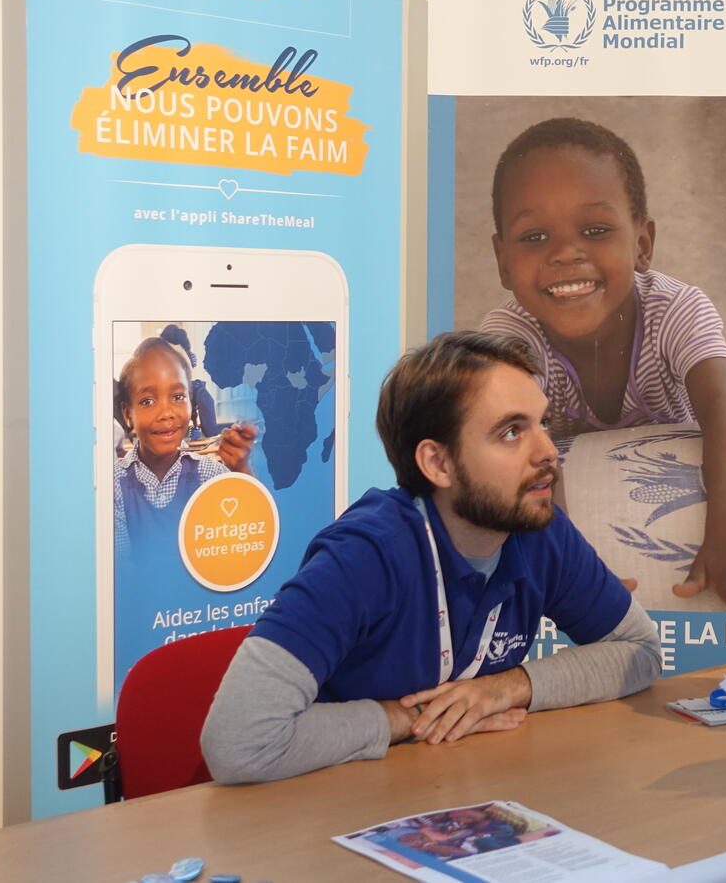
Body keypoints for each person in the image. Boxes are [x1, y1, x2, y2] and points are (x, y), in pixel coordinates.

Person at [201, 332, 662, 783]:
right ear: (437, 464)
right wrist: (413, 718)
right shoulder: (363, 557)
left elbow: (640, 651)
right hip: (322, 809)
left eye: (542, 424)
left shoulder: (537, 530)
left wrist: (504, 689)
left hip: (452, 788)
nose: (547, 452)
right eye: (511, 432)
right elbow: (239, 744)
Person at [479, 117, 726, 612]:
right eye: (533, 237)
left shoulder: (676, 309)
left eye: (595, 230)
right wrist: (565, 562)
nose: (566, 253)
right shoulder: (507, 337)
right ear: (503, 260)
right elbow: (519, 445)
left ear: (642, 244)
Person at [112, 336, 256, 556]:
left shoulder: (211, 474)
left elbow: (246, 542)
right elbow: (122, 566)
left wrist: (243, 473)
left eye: (178, 396)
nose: (167, 413)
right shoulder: (114, 485)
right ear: (127, 414)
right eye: (148, 401)